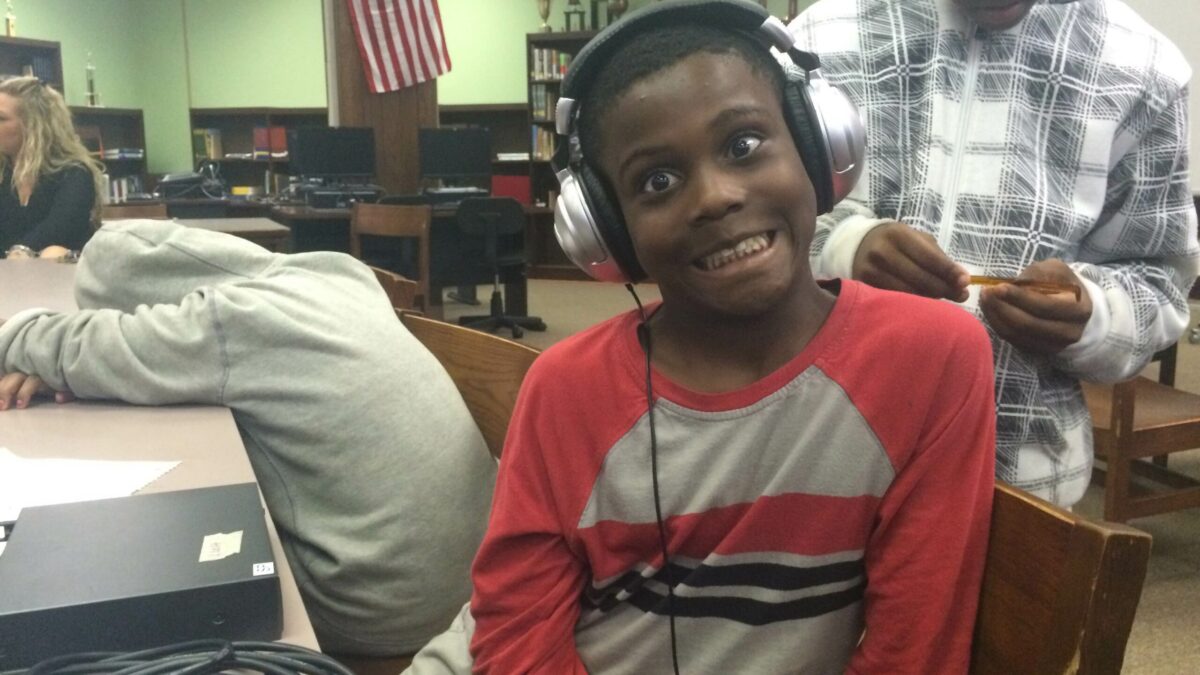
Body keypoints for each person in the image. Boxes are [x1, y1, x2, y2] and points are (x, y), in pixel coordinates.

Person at [456, 1, 996, 672]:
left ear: (816, 144)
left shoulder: (932, 358)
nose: (714, 197)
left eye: (742, 144)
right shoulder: (565, 390)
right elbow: (516, 638)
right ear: (609, 234)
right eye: (658, 180)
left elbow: (913, 649)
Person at [0, 219, 498, 657]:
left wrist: (45, 354)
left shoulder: (224, 322)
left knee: (139, 574)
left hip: (378, 610)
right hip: (474, 578)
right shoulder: (336, 274)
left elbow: (88, 346)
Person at [789, 0, 1200, 508]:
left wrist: (1093, 315)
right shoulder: (817, 44)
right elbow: (736, 238)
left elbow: (1159, 282)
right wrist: (843, 250)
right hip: (813, 472)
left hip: (1016, 496)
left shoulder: (1144, 70)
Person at [0, 75, 104, 259]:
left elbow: (58, 230)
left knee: (52, 252)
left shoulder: (74, 173)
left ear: (33, 125)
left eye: (1, 118)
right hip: (7, 279)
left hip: (59, 278)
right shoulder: (4, 173)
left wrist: (19, 252)